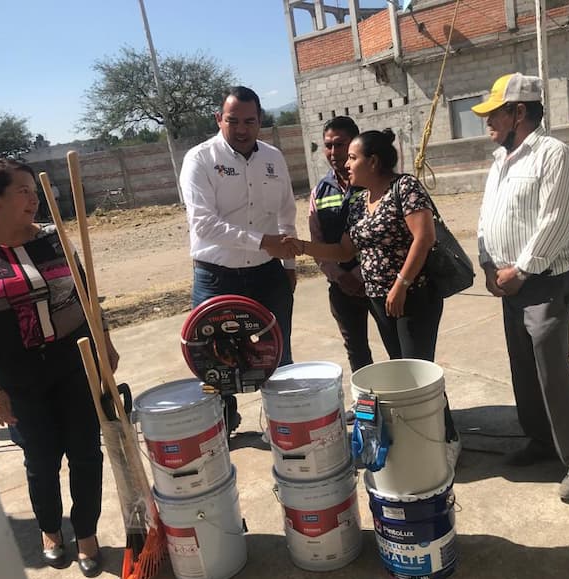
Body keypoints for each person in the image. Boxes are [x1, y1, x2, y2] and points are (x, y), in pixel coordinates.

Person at [0, 158, 119, 576]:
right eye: (23, 191)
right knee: (41, 459)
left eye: (34, 189)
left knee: (85, 453)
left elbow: (85, 293)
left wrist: (105, 342)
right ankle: (50, 531)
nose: (34, 198)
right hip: (18, 374)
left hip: (73, 361)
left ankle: (86, 535)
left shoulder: (54, 239)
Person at [286, 129, 460, 463]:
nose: (345, 163)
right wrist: (302, 247)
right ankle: (423, 439)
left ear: (374, 161)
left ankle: (446, 440)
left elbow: (423, 237)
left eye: (352, 157)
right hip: (381, 301)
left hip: (413, 297)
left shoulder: (404, 188)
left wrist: (401, 285)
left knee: (418, 375)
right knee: (403, 371)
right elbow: (342, 249)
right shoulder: (359, 202)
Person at [473, 73, 569, 503]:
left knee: (552, 373)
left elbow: (557, 221)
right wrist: (487, 261)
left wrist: (521, 271)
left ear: (520, 111)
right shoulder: (500, 159)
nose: (488, 121)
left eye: (495, 113)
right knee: (523, 370)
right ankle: (542, 442)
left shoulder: (555, 155)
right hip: (509, 282)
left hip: (545, 282)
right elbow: (486, 215)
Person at [180, 86, 297, 436]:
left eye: (249, 121)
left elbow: (286, 212)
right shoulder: (199, 159)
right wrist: (263, 241)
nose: (241, 129)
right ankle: (223, 428)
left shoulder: (273, 158)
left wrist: (288, 267)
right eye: (232, 120)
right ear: (219, 119)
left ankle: (284, 424)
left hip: (267, 275)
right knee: (214, 363)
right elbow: (203, 223)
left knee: (277, 354)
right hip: (217, 278)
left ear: (260, 121)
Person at [309, 117, 375, 420]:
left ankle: (400, 405)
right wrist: (340, 276)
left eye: (341, 144)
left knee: (397, 346)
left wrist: (362, 274)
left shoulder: (376, 183)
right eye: (328, 145)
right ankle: (366, 410)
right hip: (342, 287)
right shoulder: (320, 191)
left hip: (379, 283)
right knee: (357, 350)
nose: (334, 151)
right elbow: (317, 241)